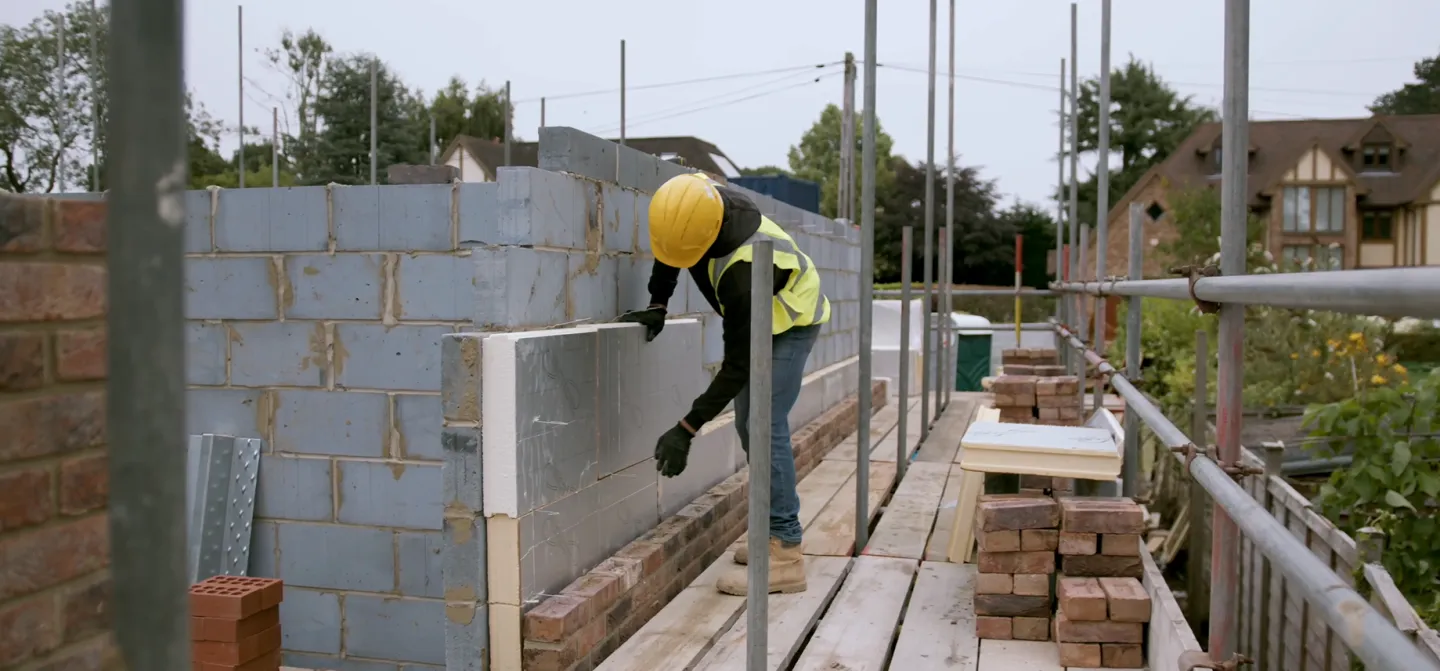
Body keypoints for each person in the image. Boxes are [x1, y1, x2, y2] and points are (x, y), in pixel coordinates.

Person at [618, 173, 830, 596]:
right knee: (749, 424)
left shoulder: (744, 272)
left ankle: (786, 551)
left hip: (790, 321)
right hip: (758, 316)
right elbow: (673, 250)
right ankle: (772, 536)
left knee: (764, 424)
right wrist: (658, 303)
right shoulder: (694, 202)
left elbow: (737, 367)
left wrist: (687, 428)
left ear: (711, 235)